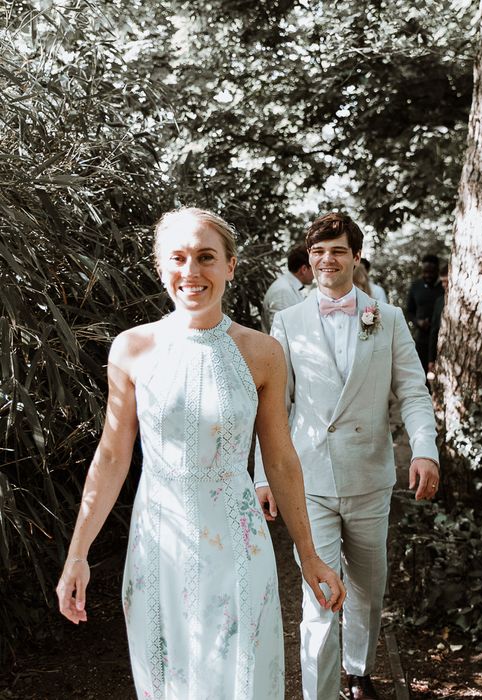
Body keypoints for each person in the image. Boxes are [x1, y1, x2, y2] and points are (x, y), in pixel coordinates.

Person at [56, 207, 344, 700]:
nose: (191, 272)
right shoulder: (131, 349)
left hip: (237, 547)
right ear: (161, 267)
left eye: (206, 257)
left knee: (242, 679)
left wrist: (310, 556)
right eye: (179, 258)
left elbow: (279, 460)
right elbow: (112, 457)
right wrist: (77, 554)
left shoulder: (263, 353)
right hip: (158, 544)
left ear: (230, 266)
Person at [254, 212, 440, 700]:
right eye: (317, 252)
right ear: (308, 259)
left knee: (367, 587)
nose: (326, 260)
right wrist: (263, 476)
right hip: (307, 480)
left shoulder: (390, 318)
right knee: (318, 598)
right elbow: (274, 407)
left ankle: (358, 672)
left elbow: (414, 394)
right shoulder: (287, 321)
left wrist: (425, 450)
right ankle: (321, 692)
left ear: (355, 257)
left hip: (370, 477)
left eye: (336, 250)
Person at [262, 244, 314, 331]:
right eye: (314, 268)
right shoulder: (283, 291)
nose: (316, 274)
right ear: (304, 269)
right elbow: (279, 332)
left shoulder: (288, 286)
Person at [406, 254, 443, 371]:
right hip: (421, 337)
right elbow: (409, 311)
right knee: (420, 371)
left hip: (440, 336)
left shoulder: (444, 286)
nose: (428, 275)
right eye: (425, 272)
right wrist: (418, 322)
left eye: (431, 272)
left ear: (437, 270)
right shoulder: (416, 286)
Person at [427, 264, 449, 379]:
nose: (444, 285)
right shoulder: (439, 301)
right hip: (441, 354)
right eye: (442, 282)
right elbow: (434, 330)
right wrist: (431, 359)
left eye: (447, 281)